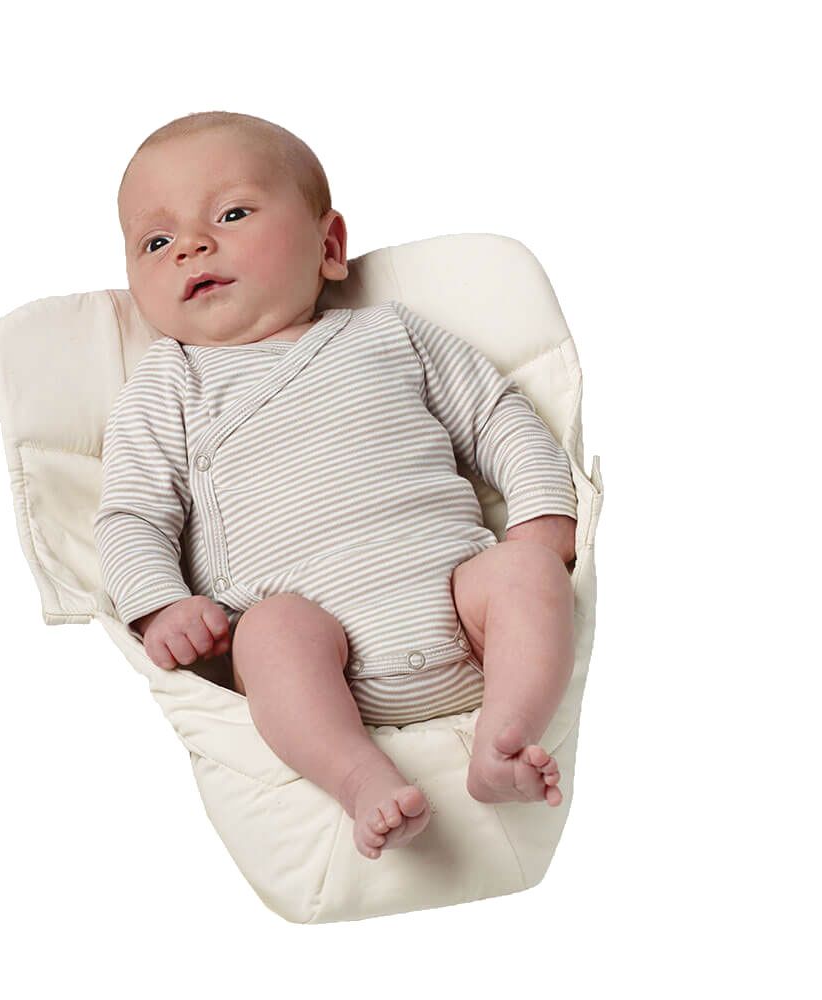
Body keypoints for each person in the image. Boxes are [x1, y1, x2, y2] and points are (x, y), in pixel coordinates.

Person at [94, 111, 579, 861]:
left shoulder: (391, 334)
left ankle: (505, 736)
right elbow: (131, 515)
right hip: (320, 660)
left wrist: (543, 518)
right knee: (270, 633)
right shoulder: (168, 385)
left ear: (328, 247)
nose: (190, 245)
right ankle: (359, 778)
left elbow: (496, 416)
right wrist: (160, 604)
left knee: (526, 573)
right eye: (156, 242)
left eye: (232, 214)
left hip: (463, 613)